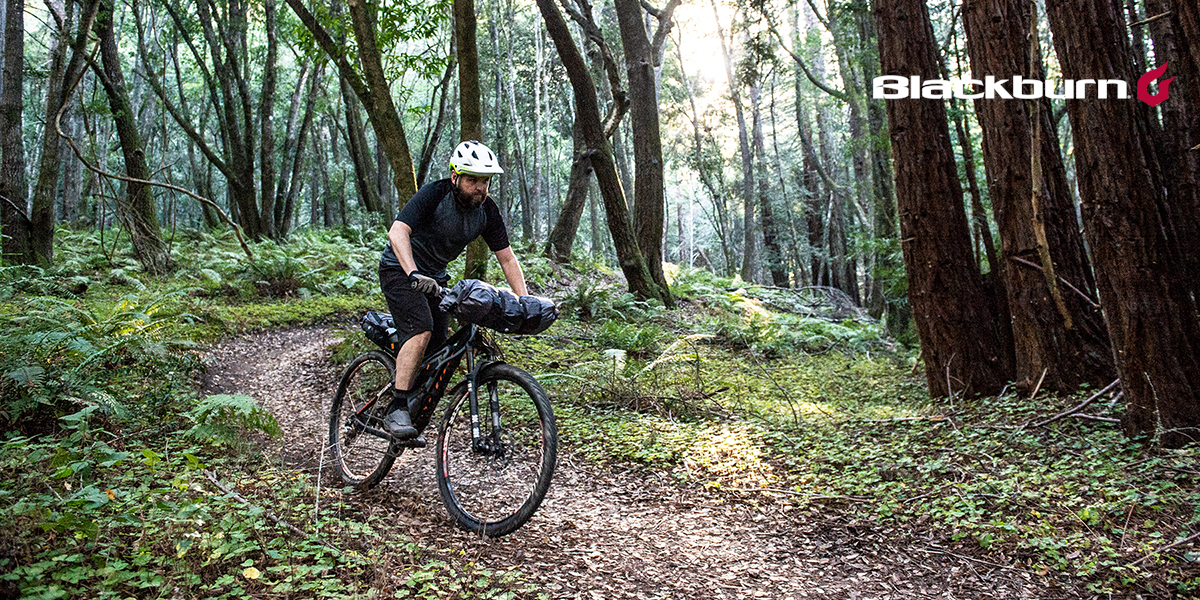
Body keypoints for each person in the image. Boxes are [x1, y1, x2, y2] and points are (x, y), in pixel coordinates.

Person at [378, 140, 528, 443]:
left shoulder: (487, 212)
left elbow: (507, 258)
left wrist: (525, 302)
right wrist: (413, 273)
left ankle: (412, 405)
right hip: (400, 270)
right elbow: (398, 232)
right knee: (420, 330)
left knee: (440, 350)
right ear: (455, 177)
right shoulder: (435, 194)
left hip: (435, 278)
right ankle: (396, 407)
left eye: (484, 181)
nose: (479, 187)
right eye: (472, 179)